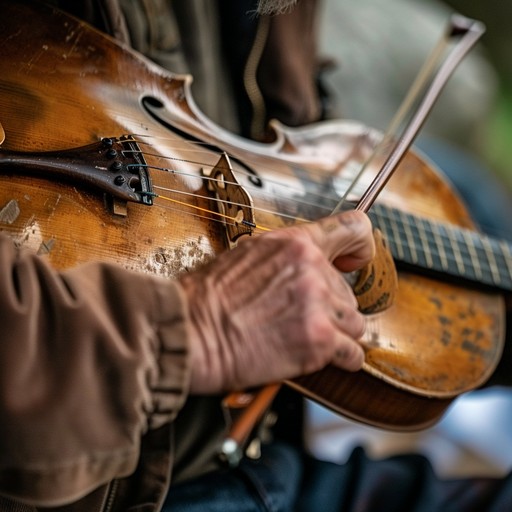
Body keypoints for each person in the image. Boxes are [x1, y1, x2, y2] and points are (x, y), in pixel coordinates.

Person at [0, 1, 511, 511]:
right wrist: (200, 326)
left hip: (250, 441)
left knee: (468, 191)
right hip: (138, 485)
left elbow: (289, 129)